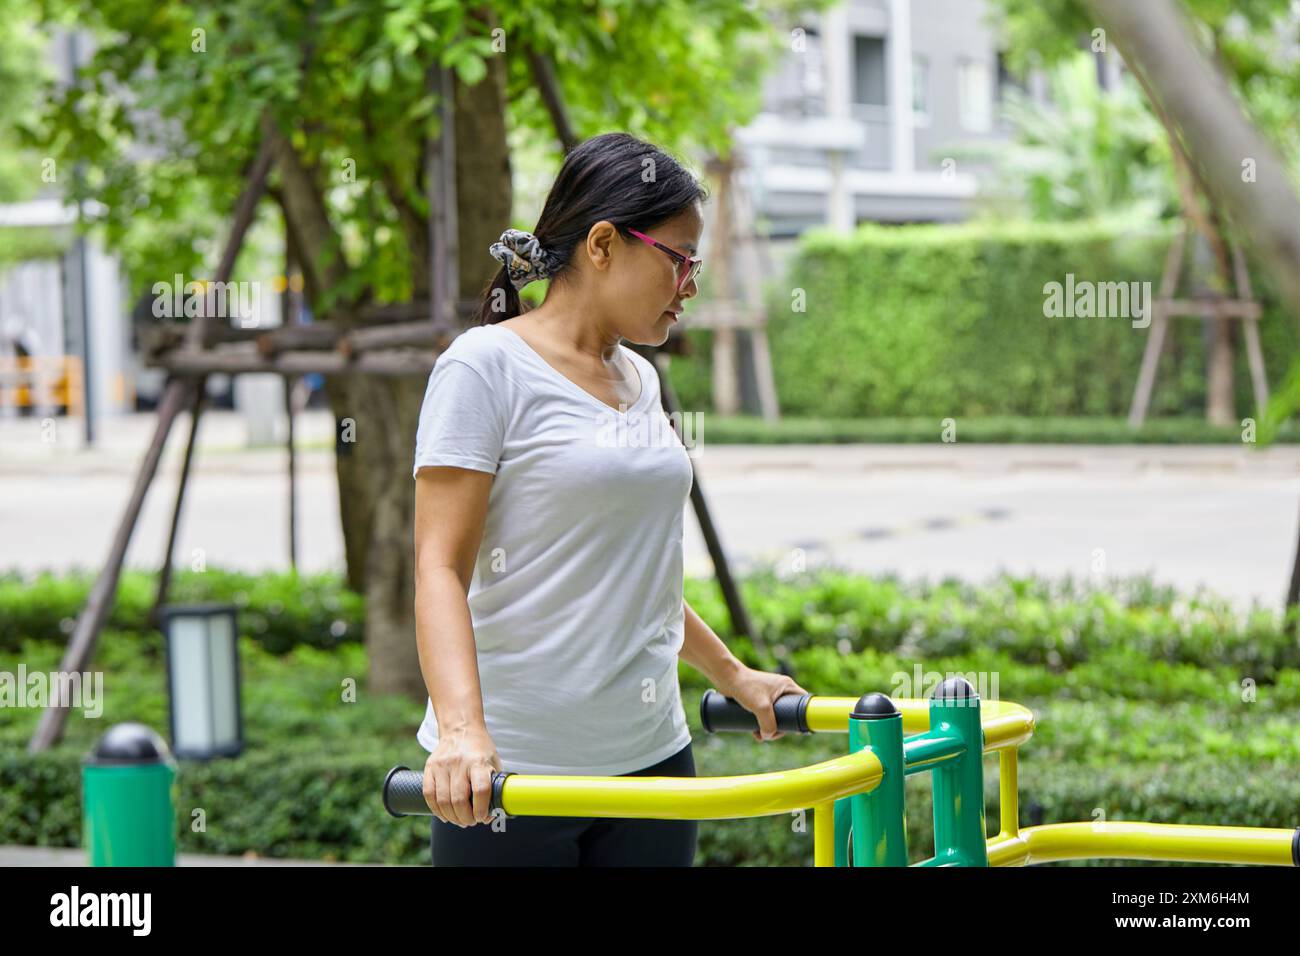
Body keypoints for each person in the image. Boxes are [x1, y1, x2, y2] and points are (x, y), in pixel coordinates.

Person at [412, 131, 808, 866]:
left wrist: (734, 674)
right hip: (513, 779)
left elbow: (635, 573)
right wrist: (464, 732)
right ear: (602, 244)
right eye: (680, 259)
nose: (690, 284)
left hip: (652, 760)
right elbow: (439, 568)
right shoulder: (483, 368)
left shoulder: (639, 378)